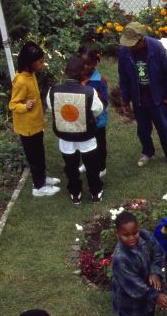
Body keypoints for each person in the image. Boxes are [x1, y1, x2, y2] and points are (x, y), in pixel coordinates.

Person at [117, 22, 167, 169]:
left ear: (142, 40)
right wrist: (125, 99)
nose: (129, 47)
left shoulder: (156, 48)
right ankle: (148, 152)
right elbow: (123, 77)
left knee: (165, 130)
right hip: (138, 98)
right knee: (143, 130)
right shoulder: (124, 52)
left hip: (157, 98)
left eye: (132, 44)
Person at [47, 57, 103, 204]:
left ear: (65, 72)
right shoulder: (89, 91)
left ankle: (75, 193)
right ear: (82, 73)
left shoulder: (53, 91)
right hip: (86, 136)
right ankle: (95, 192)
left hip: (65, 136)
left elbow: (52, 108)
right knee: (91, 166)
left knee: (70, 166)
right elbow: (98, 110)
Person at [112, 211, 167, 316]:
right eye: (126, 235)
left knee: (149, 313)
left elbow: (158, 253)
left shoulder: (145, 236)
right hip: (129, 297)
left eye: (134, 233)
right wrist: (154, 295)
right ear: (117, 234)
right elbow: (133, 284)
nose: (132, 238)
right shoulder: (120, 258)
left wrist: (154, 272)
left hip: (148, 288)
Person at [9, 42, 60, 197]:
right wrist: (25, 106)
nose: (42, 64)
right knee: (34, 158)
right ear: (30, 62)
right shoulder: (21, 81)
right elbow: (12, 104)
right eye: (40, 62)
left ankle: (42, 178)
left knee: (40, 153)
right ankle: (38, 187)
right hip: (28, 128)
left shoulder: (30, 75)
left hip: (36, 124)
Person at [78, 46, 108, 178]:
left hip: (97, 121)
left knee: (99, 144)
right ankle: (86, 163)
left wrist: (94, 114)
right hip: (81, 120)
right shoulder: (77, 78)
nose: (85, 66)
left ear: (95, 63)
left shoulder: (100, 81)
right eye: (82, 63)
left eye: (88, 64)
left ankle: (101, 167)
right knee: (83, 143)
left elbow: (105, 102)